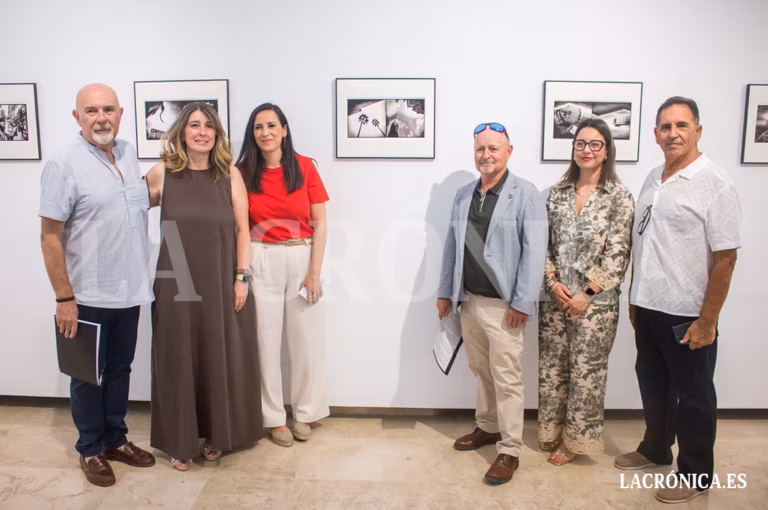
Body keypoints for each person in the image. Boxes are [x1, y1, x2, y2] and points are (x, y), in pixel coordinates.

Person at [615, 97, 741, 504]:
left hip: (688, 313)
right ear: (655, 135)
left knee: (694, 396)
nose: (673, 134)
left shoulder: (715, 183)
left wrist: (708, 320)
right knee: (653, 385)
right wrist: (633, 298)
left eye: (682, 125)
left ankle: (695, 473)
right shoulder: (653, 177)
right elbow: (644, 242)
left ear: (698, 131)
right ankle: (656, 448)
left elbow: (726, 258)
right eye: (666, 127)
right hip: (648, 305)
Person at [39, 83, 155, 487]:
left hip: (129, 291)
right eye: (91, 111)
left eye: (108, 109)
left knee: (120, 369)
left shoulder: (127, 153)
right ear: (77, 117)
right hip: (86, 295)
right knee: (87, 376)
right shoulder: (63, 164)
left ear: (121, 114)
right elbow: (50, 236)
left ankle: (115, 440)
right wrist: (64, 298)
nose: (101, 118)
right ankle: (90, 449)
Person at [145, 102, 263, 470]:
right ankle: (180, 441)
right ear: (181, 132)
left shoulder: (229, 174)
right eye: (194, 125)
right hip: (175, 280)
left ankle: (216, 435)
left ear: (217, 134)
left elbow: (243, 230)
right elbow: (123, 215)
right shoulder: (162, 174)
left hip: (221, 278)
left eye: (209, 126)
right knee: (177, 356)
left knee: (218, 355)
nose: (202, 132)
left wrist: (241, 277)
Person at [437, 122, 548, 485]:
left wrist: (523, 303)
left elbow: (535, 253)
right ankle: (487, 427)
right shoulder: (464, 194)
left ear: (508, 152)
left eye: (493, 149)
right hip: (469, 301)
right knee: (481, 370)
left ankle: (510, 448)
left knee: (507, 377)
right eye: (480, 149)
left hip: (505, 307)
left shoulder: (526, 194)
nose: (486, 155)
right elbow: (452, 246)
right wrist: (445, 292)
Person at [537, 118, 635, 466]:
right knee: (552, 367)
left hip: (596, 306)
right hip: (555, 300)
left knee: (586, 374)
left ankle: (576, 441)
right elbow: (542, 245)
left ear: (607, 150)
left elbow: (618, 253)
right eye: (580, 143)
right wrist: (552, 283)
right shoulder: (556, 193)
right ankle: (551, 430)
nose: (587, 150)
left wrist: (587, 293)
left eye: (595, 144)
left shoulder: (619, 197)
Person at [235, 103, 329, 447]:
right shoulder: (242, 173)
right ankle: (273, 418)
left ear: (285, 130)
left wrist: (314, 272)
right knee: (265, 341)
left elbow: (321, 223)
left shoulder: (305, 167)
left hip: (302, 255)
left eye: (272, 125)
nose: (265, 133)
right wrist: (242, 273)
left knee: (306, 340)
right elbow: (239, 226)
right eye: (258, 127)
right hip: (261, 257)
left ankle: (305, 412)